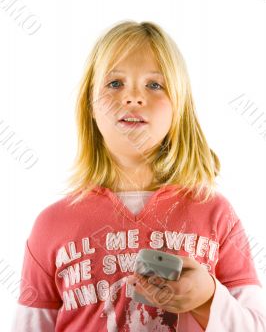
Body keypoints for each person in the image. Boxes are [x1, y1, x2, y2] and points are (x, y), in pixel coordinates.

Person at [11, 20, 266, 331]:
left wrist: (208, 297)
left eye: (155, 85)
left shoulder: (216, 214)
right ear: (90, 105)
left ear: (179, 108)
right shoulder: (51, 225)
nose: (133, 97)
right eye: (115, 83)